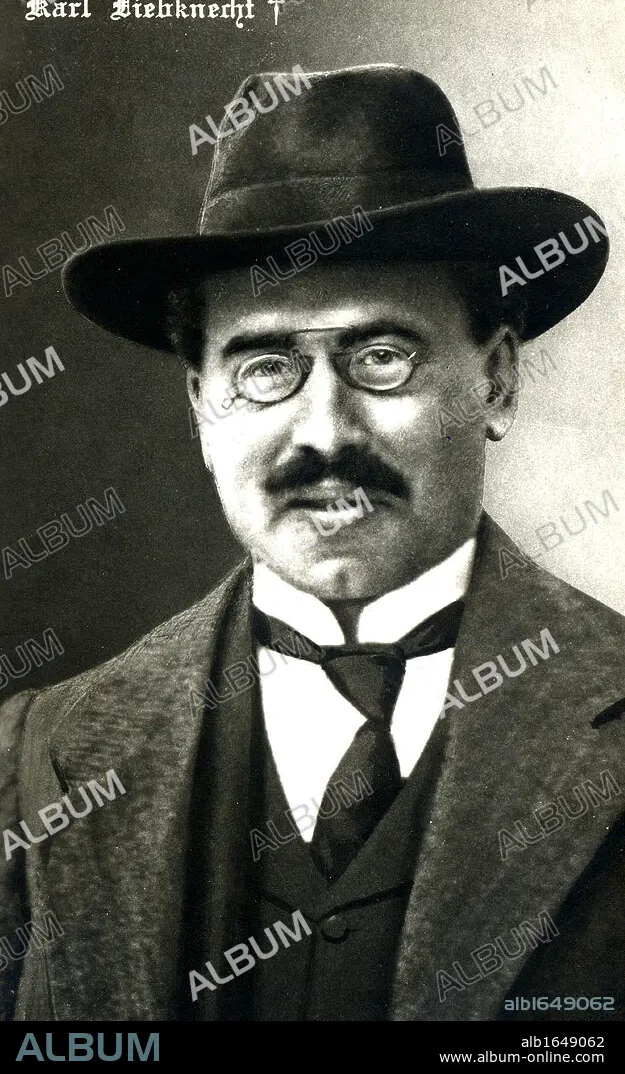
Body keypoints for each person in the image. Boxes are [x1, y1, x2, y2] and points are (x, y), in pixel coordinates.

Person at [1, 65, 624, 1023]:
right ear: (203, 411)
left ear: (496, 382)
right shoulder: (40, 759)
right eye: (265, 368)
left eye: (382, 357)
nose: (325, 432)